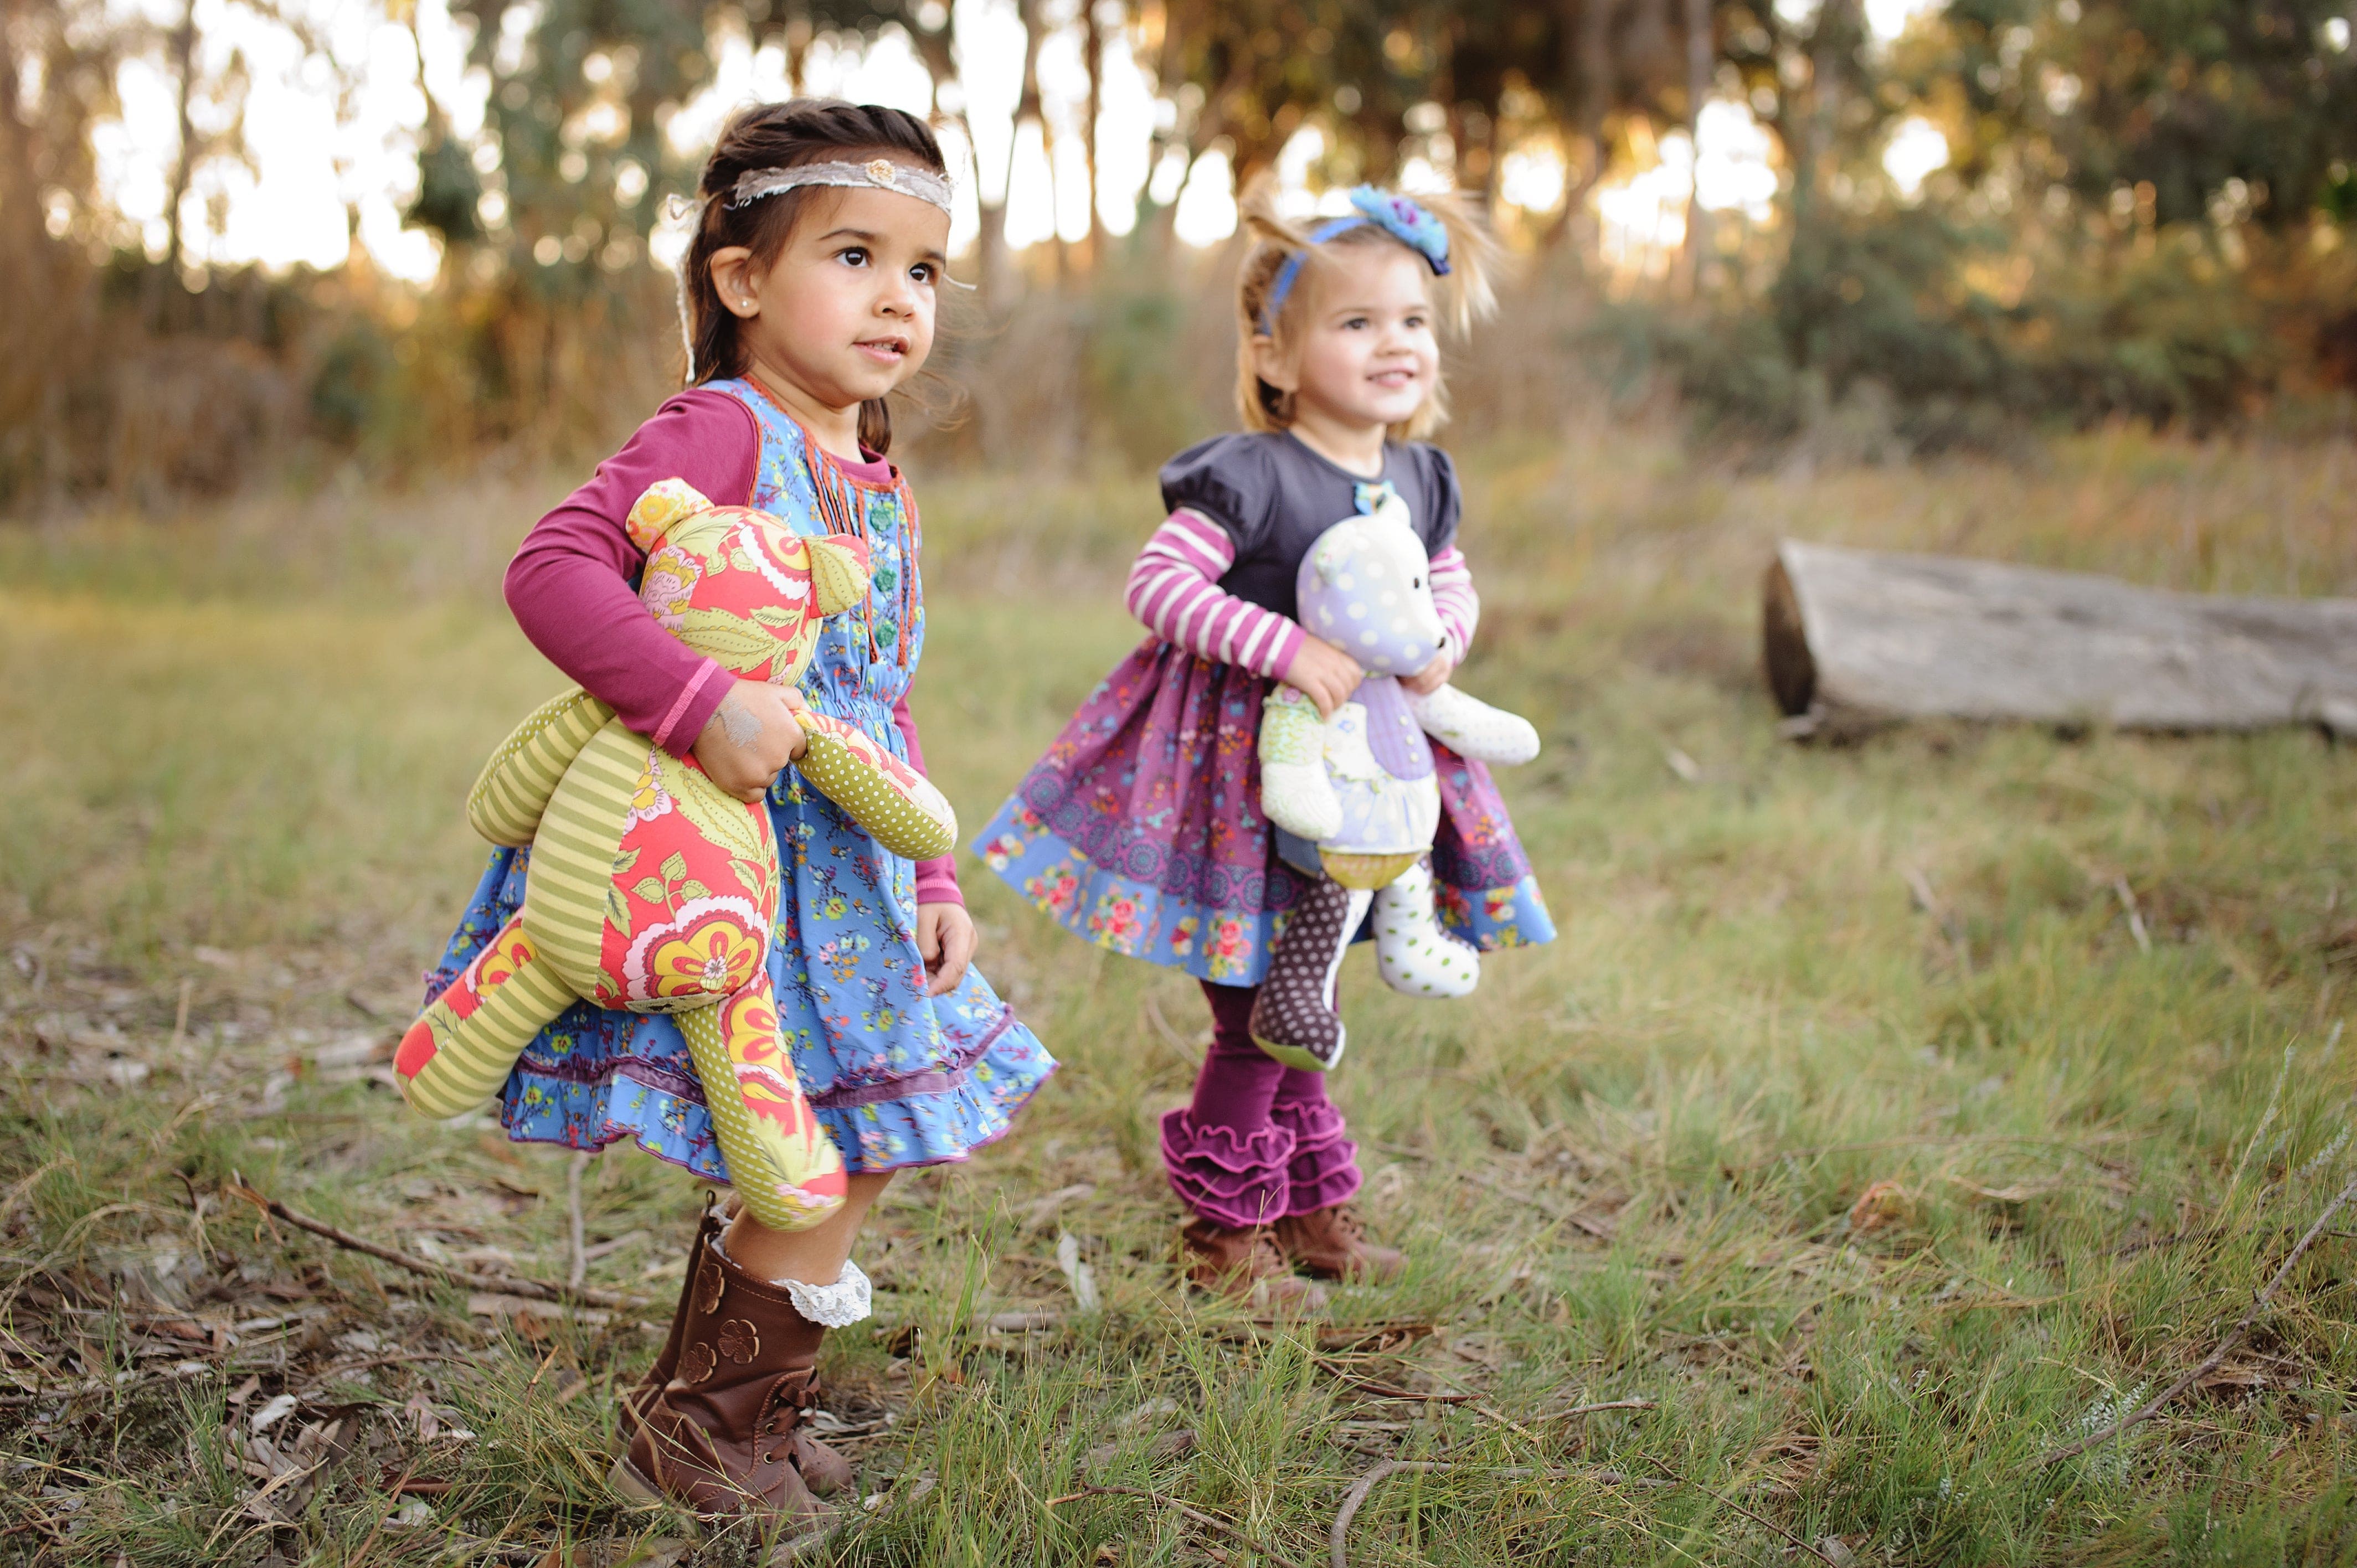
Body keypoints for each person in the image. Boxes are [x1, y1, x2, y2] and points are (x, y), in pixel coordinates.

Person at [422, 100, 1053, 1546]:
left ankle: (734, 1403)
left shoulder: (873, 472)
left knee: (852, 1134)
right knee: (820, 1135)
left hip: (851, 879)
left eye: (926, 270)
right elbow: (553, 568)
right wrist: (697, 696)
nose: (899, 297)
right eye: (854, 254)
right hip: (726, 864)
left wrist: (933, 865)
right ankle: (703, 1429)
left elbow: (880, 700)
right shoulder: (721, 431)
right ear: (742, 279)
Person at [976, 180, 1552, 1311]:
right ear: (1276, 355)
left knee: (1309, 998)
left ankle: (1303, 1206)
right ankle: (1223, 1238)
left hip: (1372, 781)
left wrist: (1441, 645)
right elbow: (1157, 584)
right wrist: (1284, 648)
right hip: (1245, 791)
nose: (1394, 344)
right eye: (1356, 322)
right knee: (1255, 1017)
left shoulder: (1422, 478)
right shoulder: (1249, 473)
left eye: (1412, 321)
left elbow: (1448, 584)